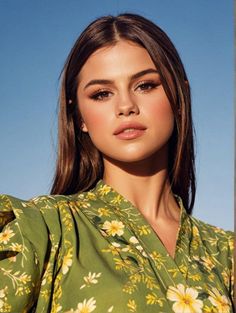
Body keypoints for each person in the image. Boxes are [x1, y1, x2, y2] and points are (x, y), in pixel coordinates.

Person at [0, 13, 234, 313]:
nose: (126, 107)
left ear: (178, 95)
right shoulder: (42, 229)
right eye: (102, 94)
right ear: (80, 117)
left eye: (145, 85)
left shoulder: (225, 252)